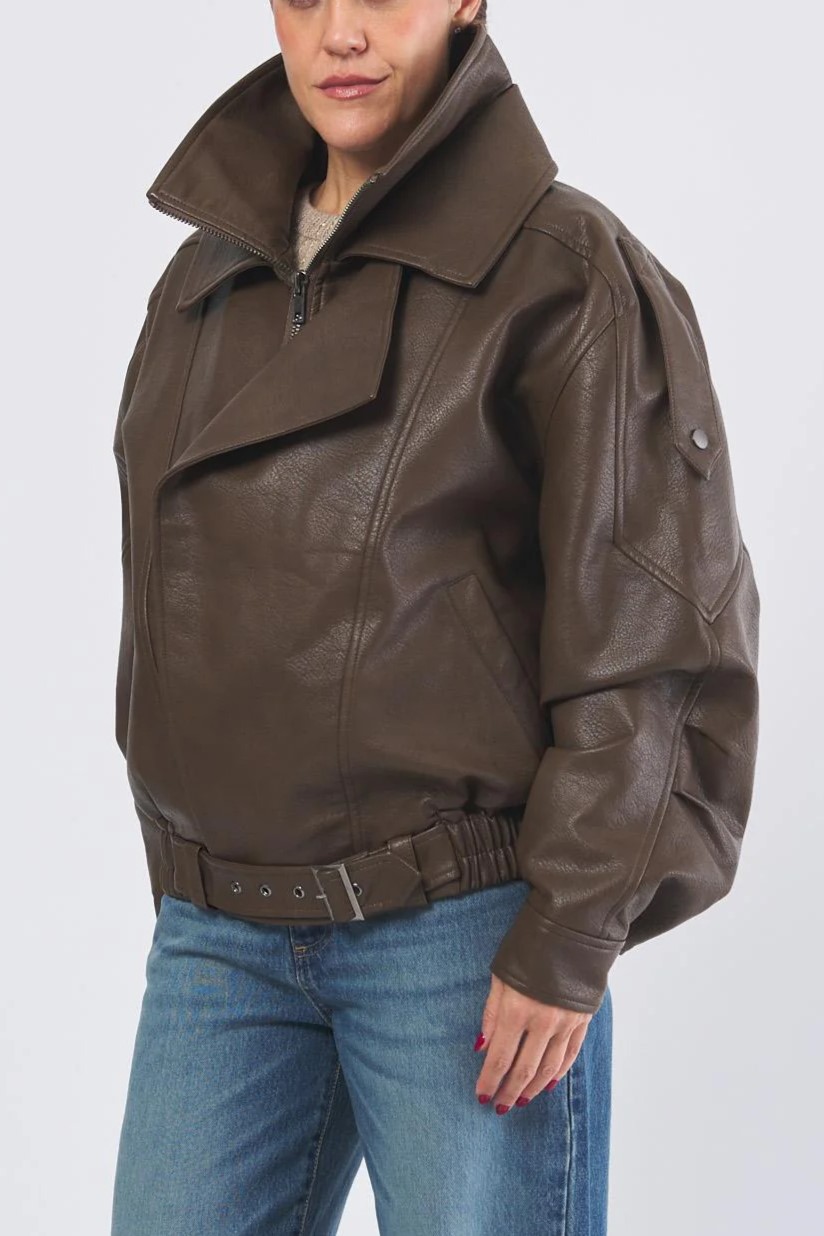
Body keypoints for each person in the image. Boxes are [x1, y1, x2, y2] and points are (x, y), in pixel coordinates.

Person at [109, 2, 760, 1233]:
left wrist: (565, 936)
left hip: (456, 938)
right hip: (219, 938)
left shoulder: (565, 271)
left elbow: (654, 632)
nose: (341, 33)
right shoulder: (203, 276)